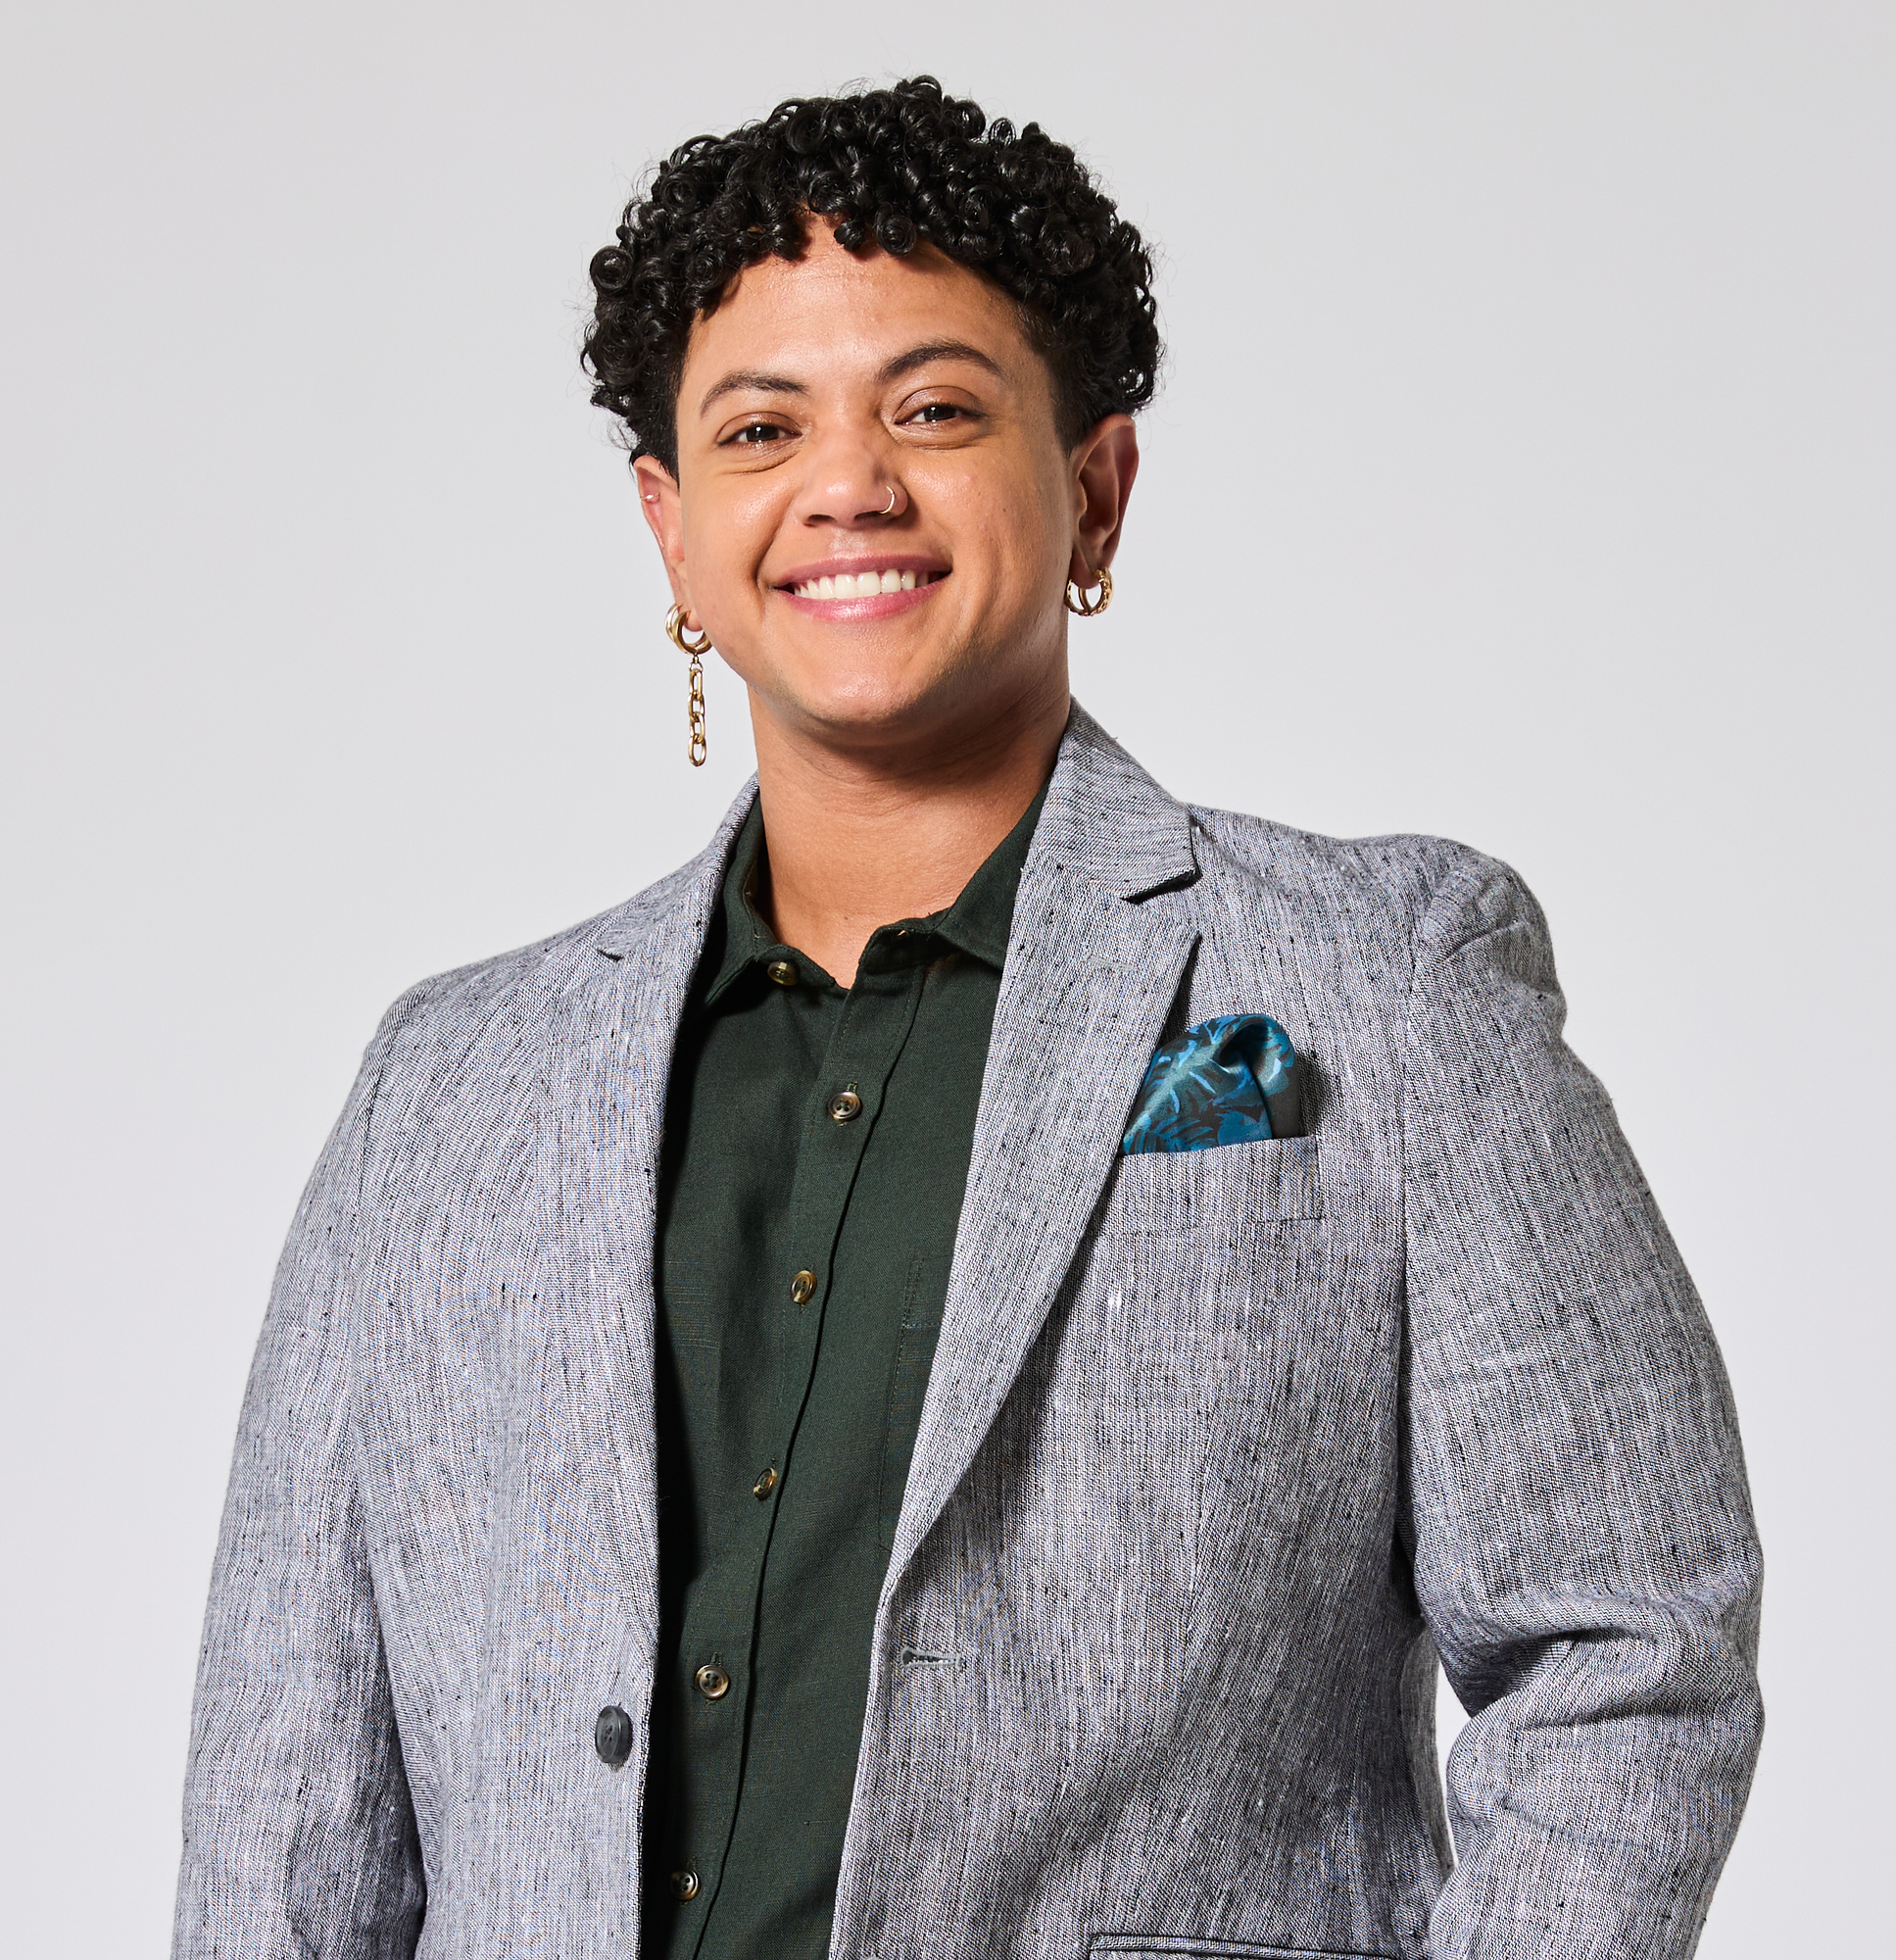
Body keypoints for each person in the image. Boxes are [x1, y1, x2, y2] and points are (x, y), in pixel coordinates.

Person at [173, 76, 1763, 1960]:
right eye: (763, 429)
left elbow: (1630, 1653)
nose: (848, 483)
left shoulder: (1386, 987)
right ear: (673, 537)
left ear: (1093, 486)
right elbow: (287, 1801)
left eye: (934, 408)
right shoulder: (449, 1089)